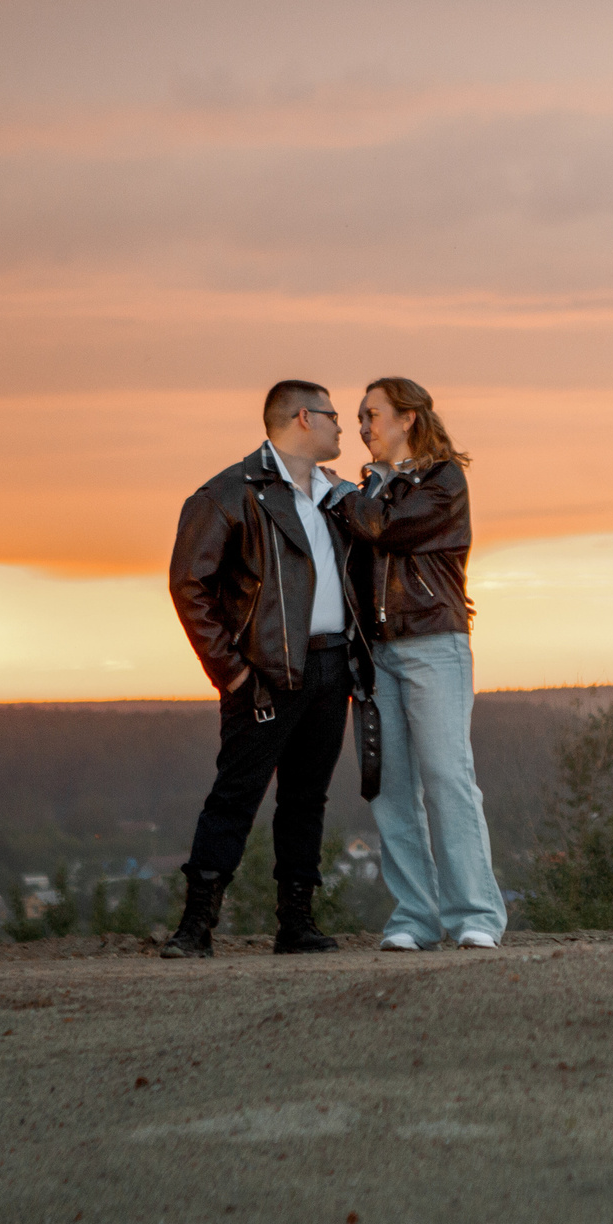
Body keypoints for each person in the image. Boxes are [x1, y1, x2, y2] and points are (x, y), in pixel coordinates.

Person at [161, 379, 368, 958]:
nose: (341, 427)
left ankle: (296, 925)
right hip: (263, 676)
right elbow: (188, 585)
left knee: (307, 800)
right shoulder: (228, 493)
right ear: (303, 418)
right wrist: (232, 673)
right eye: (332, 415)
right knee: (235, 796)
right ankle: (195, 929)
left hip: (331, 668)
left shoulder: (335, 495)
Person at [339, 377, 506, 950]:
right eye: (359, 418)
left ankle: (476, 916)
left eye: (373, 415)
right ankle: (415, 918)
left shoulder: (441, 481)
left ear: (408, 418)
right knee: (390, 788)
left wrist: (341, 499)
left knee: (447, 780)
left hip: (434, 645)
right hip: (376, 654)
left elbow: (392, 529)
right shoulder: (368, 488)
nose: (363, 427)